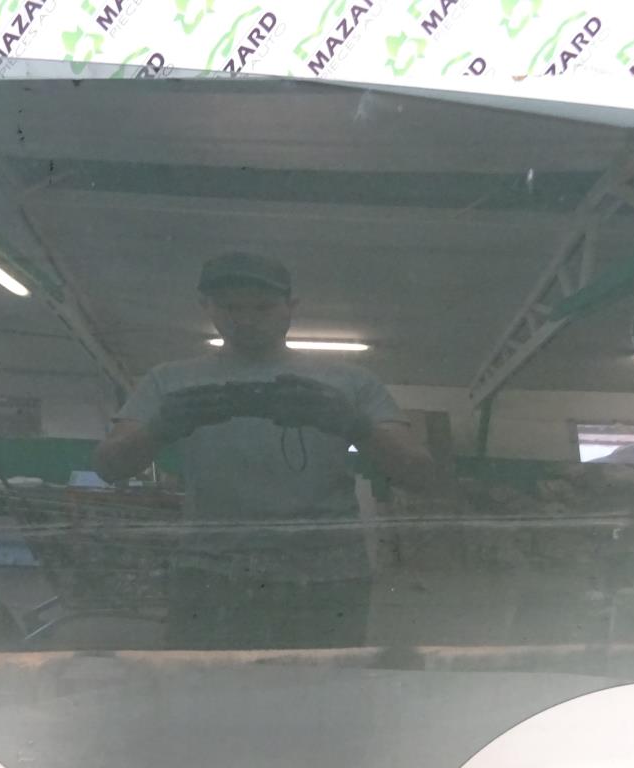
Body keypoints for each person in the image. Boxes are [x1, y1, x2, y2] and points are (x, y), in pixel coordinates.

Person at [92, 252, 434, 649]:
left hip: (321, 574)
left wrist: (353, 423)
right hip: (216, 572)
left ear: (291, 307)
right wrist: (160, 428)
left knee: (314, 684)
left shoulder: (351, 383)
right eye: (230, 307)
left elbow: (420, 474)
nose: (246, 319)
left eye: (262, 307)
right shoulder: (168, 381)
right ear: (206, 307)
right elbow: (108, 466)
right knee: (213, 684)